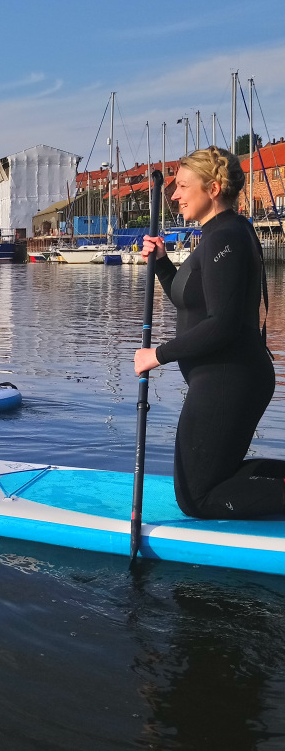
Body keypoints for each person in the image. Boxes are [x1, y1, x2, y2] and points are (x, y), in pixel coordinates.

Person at [134, 146, 285, 519]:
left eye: (183, 185)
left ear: (213, 188)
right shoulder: (223, 233)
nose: (174, 195)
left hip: (228, 379)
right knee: (215, 480)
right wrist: (164, 264)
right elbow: (194, 305)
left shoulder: (225, 238)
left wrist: (159, 354)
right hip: (224, 378)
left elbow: (223, 323)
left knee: (197, 498)